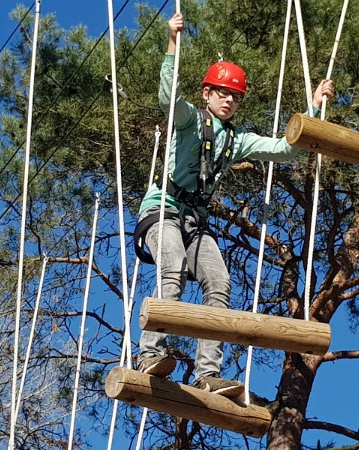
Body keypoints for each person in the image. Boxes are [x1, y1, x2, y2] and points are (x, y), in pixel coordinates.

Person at [134, 12, 334, 398]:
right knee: (171, 268)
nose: (228, 100)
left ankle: (208, 373)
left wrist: (311, 110)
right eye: (222, 93)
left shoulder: (236, 140)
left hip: (195, 220)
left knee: (220, 283)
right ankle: (150, 354)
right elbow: (168, 95)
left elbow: (285, 150)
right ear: (207, 94)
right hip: (164, 209)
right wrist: (172, 42)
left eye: (235, 96)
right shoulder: (189, 119)